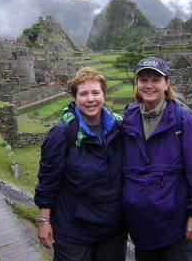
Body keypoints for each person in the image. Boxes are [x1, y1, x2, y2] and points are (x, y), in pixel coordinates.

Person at [122, 57, 192, 261]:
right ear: (137, 83)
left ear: (166, 84)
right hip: (140, 228)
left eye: (156, 79)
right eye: (143, 79)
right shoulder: (129, 118)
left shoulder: (182, 120)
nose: (149, 85)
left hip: (175, 228)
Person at [34, 67, 127, 261]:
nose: (90, 99)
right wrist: (44, 220)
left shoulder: (118, 128)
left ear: (104, 95)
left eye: (96, 92)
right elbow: (48, 180)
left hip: (113, 229)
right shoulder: (62, 134)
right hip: (73, 230)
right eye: (83, 94)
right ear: (75, 98)